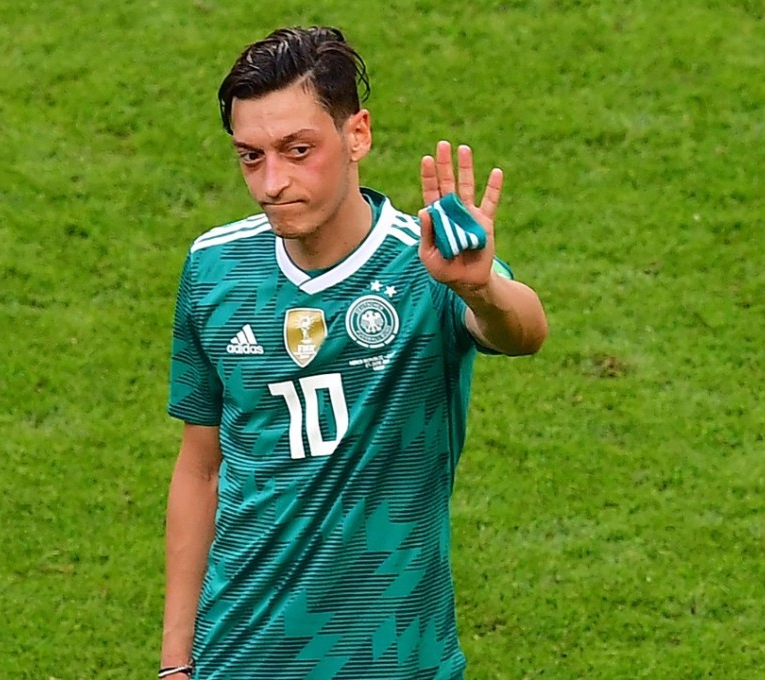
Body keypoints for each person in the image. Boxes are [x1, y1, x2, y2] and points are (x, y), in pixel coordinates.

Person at [161, 26, 548, 680]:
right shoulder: (214, 268)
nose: (271, 183)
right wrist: (176, 664)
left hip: (396, 659)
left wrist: (482, 287)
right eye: (250, 157)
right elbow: (200, 469)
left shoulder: (426, 262)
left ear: (357, 135)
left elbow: (524, 331)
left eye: (297, 150)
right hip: (238, 655)